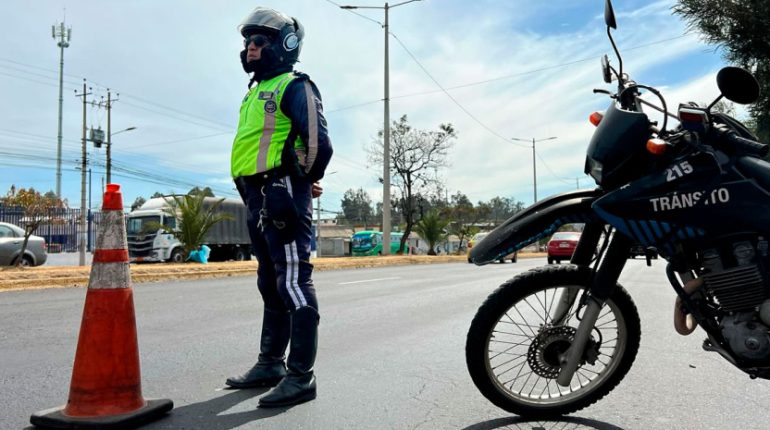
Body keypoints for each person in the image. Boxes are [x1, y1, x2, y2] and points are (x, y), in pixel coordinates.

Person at [227, 6, 332, 408]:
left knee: (292, 281)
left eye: (260, 41)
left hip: (280, 192)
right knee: (269, 281)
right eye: (247, 42)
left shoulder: (294, 84)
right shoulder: (254, 91)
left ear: (285, 45)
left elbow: (318, 142)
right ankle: (270, 363)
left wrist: (300, 180)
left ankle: (301, 375)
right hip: (259, 196)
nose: (251, 48)